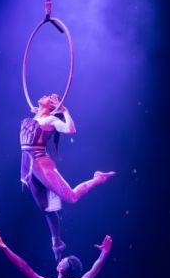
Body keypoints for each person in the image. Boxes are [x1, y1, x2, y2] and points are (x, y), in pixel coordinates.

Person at [19, 93, 114, 260]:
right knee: (46, 208)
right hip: (29, 165)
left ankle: (97, 178)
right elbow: (36, 119)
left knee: (72, 197)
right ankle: (57, 242)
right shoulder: (38, 117)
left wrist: (64, 111)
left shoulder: (50, 120)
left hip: (40, 164)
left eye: (50, 97)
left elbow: (71, 129)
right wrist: (40, 110)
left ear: (52, 107)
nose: (45, 95)